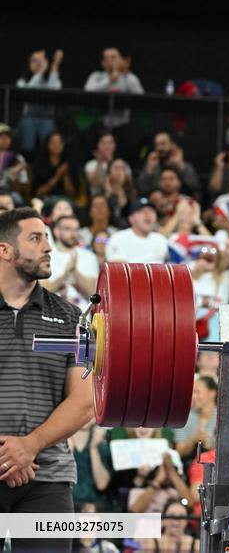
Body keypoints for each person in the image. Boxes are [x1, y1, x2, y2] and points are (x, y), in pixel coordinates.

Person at [0, 207, 94, 552]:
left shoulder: (74, 319)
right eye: (36, 238)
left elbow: (85, 402)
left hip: (48, 478)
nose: (48, 246)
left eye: (48, 237)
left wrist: (29, 446)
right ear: (5, 250)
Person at [41, 214, 99, 310]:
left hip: (81, 318)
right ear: (56, 231)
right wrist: (66, 273)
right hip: (51, 316)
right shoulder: (46, 255)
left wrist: (74, 271)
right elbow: (41, 290)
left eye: (76, 229)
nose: (73, 233)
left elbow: (93, 293)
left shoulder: (89, 256)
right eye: (68, 229)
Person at [14, 49, 62, 158]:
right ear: (29, 63)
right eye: (34, 60)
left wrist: (55, 64)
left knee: (49, 134)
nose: (38, 64)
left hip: (47, 117)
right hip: (29, 117)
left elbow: (53, 88)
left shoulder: (50, 81)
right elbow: (29, 90)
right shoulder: (22, 81)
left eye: (40, 61)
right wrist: (41, 71)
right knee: (27, 141)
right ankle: (26, 160)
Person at [105, 198, 169, 264]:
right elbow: (118, 270)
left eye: (151, 210)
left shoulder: (161, 239)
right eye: (141, 211)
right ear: (131, 219)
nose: (147, 214)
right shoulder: (118, 238)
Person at [174, 375, 218, 460]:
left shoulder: (224, 417)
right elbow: (179, 451)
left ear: (212, 393)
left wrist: (212, 445)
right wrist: (193, 441)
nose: (193, 396)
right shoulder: (185, 418)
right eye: (192, 392)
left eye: (197, 392)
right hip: (190, 465)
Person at [32, 131, 76, 200]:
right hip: (46, 200)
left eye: (60, 142)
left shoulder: (69, 164)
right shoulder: (40, 164)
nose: (57, 145)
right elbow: (38, 193)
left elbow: (72, 194)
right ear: (47, 144)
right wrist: (57, 176)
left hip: (65, 200)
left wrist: (65, 174)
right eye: (53, 143)